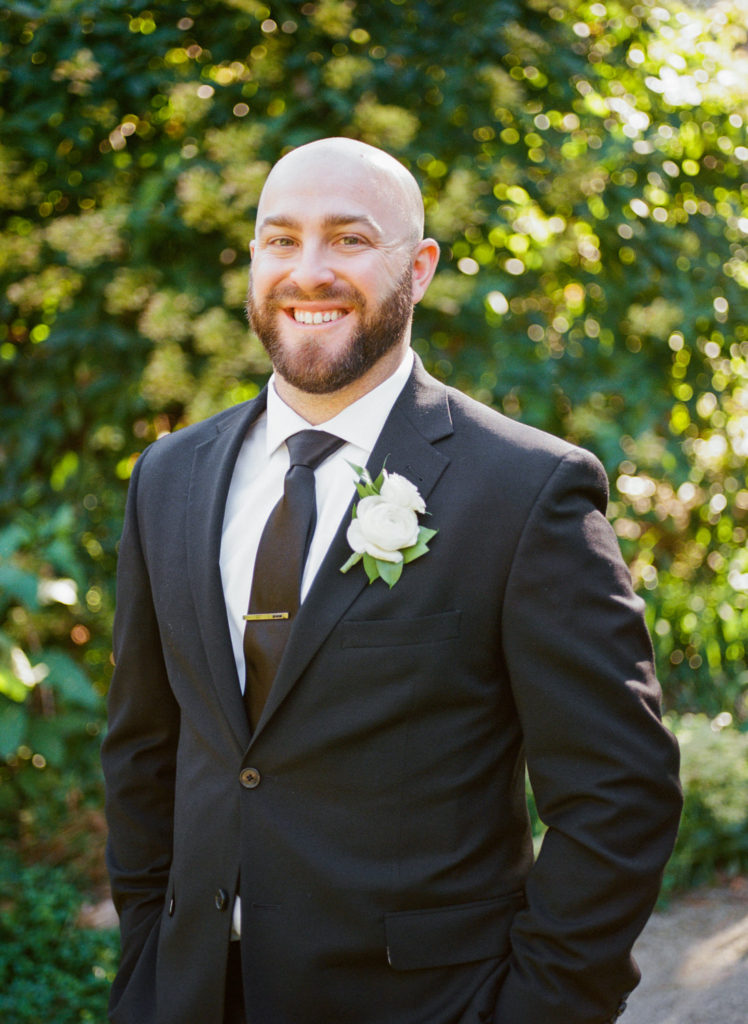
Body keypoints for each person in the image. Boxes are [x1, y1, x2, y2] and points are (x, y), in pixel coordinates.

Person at [102, 137, 682, 1024]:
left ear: (418, 267)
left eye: (348, 239)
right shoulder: (168, 478)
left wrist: (539, 1008)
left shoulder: (525, 492)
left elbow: (620, 795)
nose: (309, 270)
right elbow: (144, 750)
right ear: (253, 258)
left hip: (427, 1002)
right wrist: (145, 961)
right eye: (280, 239)